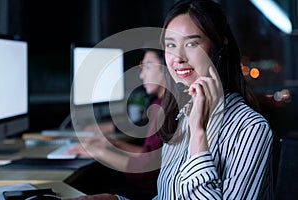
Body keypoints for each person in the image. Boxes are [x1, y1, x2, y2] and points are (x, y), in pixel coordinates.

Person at [66, 0, 273, 199]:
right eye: (170, 45)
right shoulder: (180, 116)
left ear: (219, 47)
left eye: (191, 43)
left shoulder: (250, 129)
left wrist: (198, 136)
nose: (178, 58)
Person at [66, 47, 166, 198]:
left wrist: (97, 151)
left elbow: (147, 170)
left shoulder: (166, 110)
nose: (142, 74)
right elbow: (150, 155)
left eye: (147, 67)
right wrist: (111, 143)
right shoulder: (159, 103)